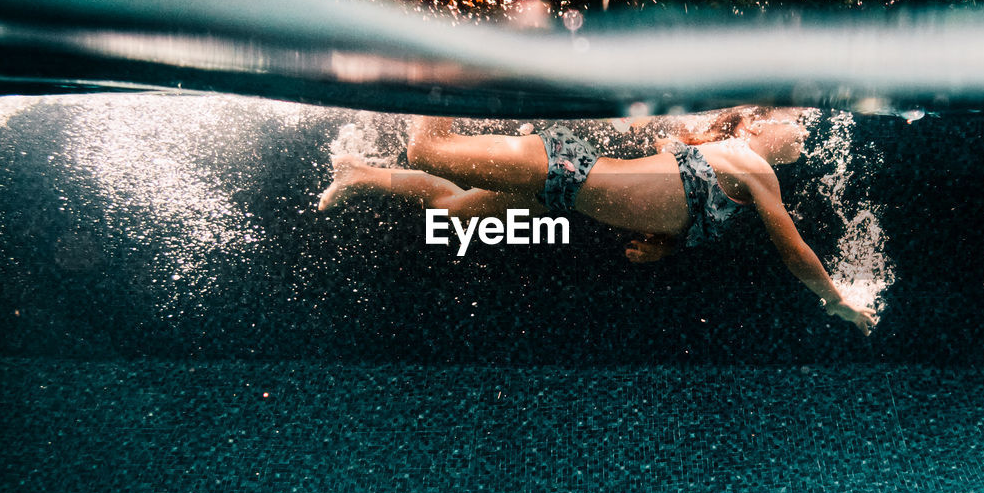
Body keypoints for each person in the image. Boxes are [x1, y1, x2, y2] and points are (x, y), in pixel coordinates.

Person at [318, 107, 878, 335]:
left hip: (564, 193)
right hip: (566, 169)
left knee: (449, 207)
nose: (808, 129)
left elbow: (667, 198)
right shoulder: (749, 162)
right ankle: (426, 59)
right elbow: (794, 250)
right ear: (755, 125)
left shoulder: (733, 166)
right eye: (798, 119)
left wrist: (665, 243)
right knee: (428, 150)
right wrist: (836, 299)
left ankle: (358, 174)